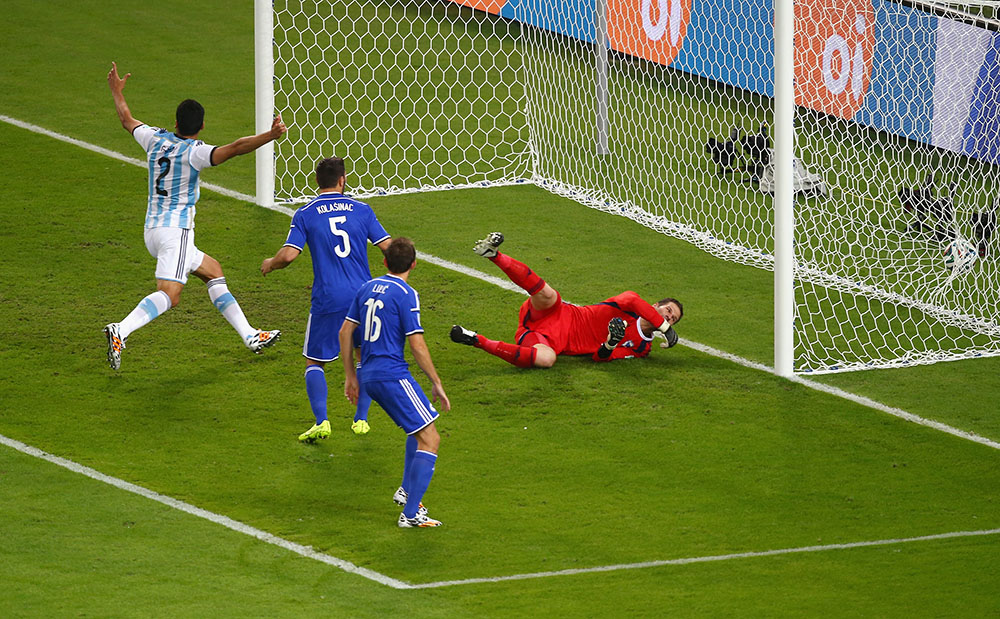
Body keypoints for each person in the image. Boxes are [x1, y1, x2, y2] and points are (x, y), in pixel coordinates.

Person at [103, 62, 285, 370]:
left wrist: (116, 91)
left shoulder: (154, 138)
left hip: (153, 230)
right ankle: (121, 329)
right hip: (176, 232)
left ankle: (250, 335)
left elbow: (127, 120)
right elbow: (237, 148)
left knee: (213, 270)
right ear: (201, 127)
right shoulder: (196, 153)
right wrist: (270, 135)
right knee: (170, 295)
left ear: (175, 121)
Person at [261, 157, 391, 442]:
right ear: (342, 180)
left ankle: (322, 421)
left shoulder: (306, 213)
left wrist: (270, 263)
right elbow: (388, 247)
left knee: (314, 361)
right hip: (363, 295)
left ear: (317, 181)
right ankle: (361, 420)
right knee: (363, 356)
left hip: (328, 297)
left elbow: (289, 254)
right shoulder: (362, 210)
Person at [341, 238, 450, 528]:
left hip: (370, 374)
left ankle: (405, 491)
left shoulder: (365, 288)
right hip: (392, 374)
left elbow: (345, 331)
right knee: (432, 439)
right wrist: (436, 382)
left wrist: (351, 376)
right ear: (414, 264)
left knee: (419, 428)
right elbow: (417, 344)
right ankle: (411, 514)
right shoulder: (406, 294)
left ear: (385, 262)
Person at [450, 232, 682, 367]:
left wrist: (611, 343)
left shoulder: (642, 348)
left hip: (548, 340)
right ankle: (494, 255)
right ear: (655, 306)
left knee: (547, 360)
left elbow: (600, 358)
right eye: (668, 310)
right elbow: (632, 298)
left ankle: (475, 339)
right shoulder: (631, 305)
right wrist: (665, 328)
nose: (669, 317)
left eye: (673, 319)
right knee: (549, 295)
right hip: (558, 313)